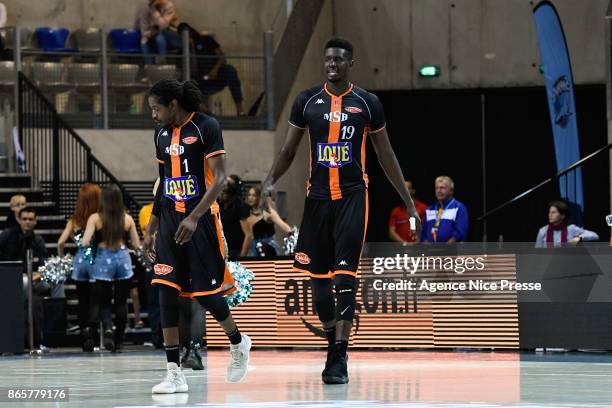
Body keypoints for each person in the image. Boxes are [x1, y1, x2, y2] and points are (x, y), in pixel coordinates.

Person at [260, 37, 421, 385]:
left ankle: (339, 356)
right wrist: (269, 180)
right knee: (319, 288)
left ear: (351, 64)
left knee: (345, 280)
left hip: (352, 198)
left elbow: (386, 155)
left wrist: (408, 204)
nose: (332, 64)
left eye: (339, 60)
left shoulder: (367, 103)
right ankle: (333, 340)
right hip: (317, 200)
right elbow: (288, 150)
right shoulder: (307, 102)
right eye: (328, 59)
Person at [143, 78, 251, 393]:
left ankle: (238, 342)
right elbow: (163, 183)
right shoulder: (160, 134)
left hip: (200, 220)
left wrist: (193, 217)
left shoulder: (206, 126)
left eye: (156, 108)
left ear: (173, 105)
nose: (153, 115)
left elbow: (219, 179)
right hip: (169, 221)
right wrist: (151, 229)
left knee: (205, 295)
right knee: (165, 289)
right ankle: (173, 372)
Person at [81, 184, 141, 352]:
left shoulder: (95, 218)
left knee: (104, 301)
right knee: (122, 302)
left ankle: (108, 328)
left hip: (103, 259)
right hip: (122, 259)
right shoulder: (127, 219)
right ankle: (120, 340)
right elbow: (137, 245)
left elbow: (85, 242)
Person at [57, 183, 101, 351]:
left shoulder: (74, 220)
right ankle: (93, 330)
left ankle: (83, 332)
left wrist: (63, 259)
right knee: (96, 300)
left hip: (80, 261)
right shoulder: (99, 218)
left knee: (83, 299)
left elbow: (60, 242)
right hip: (97, 260)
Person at [179, 23, 245, 116]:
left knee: (230, 70)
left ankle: (240, 110)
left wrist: (215, 70)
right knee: (186, 86)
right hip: (199, 79)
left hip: (215, 74)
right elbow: (193, 70)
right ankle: (207, 112)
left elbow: (222, 58)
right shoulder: (184, 50)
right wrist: (191, 48)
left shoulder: (206, 40)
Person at [241, 184, 291, 257]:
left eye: (254, 195)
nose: (250, 198)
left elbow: (285, 227)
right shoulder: (247, 214)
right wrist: (242, 256)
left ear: (259, 197)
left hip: (269, 248)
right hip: (254, 249)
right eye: (249, 195)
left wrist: (292, 237)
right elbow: (248, 237)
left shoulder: (268, 212)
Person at [421, 176, 469, 243]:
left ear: (451, 190)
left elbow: (460, 233)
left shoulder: (459, 208)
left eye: (442, 188)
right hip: (431, 251)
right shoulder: (429, 209)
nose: (439, 190)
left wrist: (444, 249)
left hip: (451, 251)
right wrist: (428, 249)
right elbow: (424, 234)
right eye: (437, 188)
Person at [136, 0, 181, 65]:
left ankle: (162, 64)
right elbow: (143, 31)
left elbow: (163, 25)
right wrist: (151, 33)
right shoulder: (144, 10)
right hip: (150, 35)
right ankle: (150, 68)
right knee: (143, 43)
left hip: (166, 33)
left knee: (160, 38)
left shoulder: (168, 5)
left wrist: (155, 12)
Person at [218, 174, 248, 259]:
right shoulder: (219, 204)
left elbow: (248, 235)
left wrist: (243, 257)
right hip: (222, 247)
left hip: (236, 250)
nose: (222, 194)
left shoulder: (239, 205)